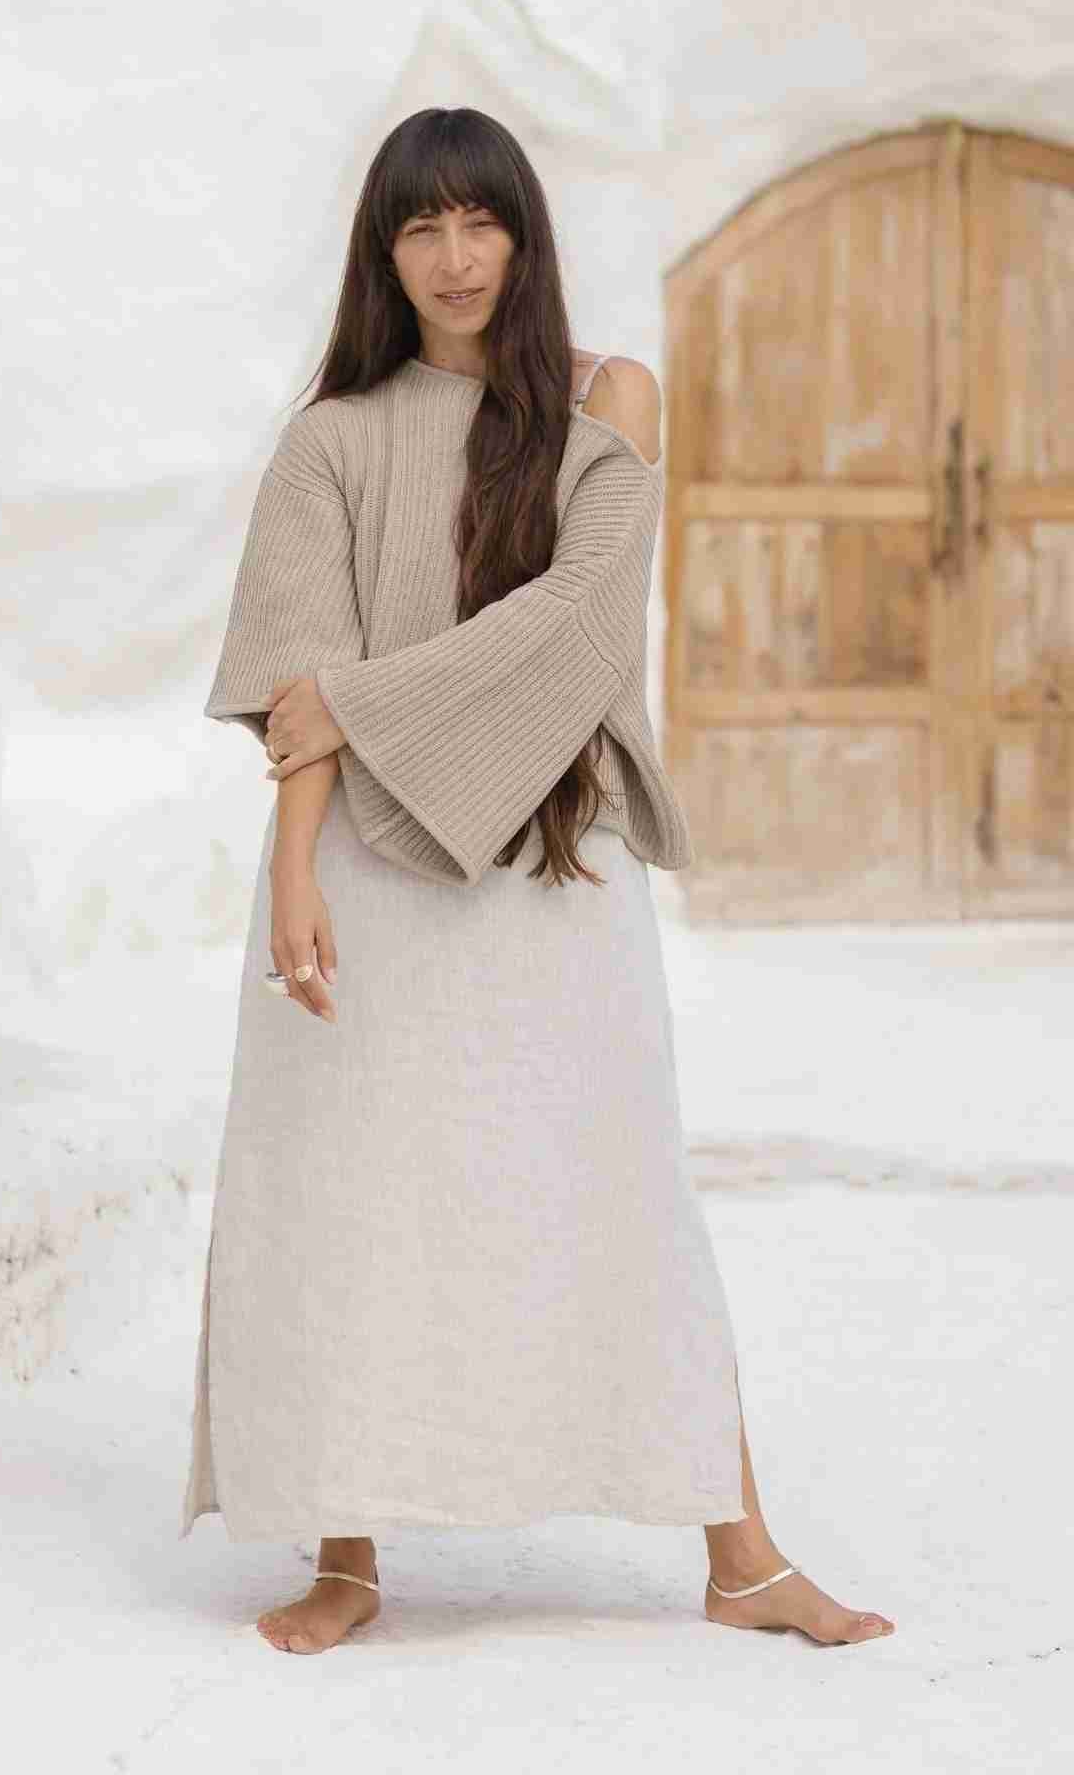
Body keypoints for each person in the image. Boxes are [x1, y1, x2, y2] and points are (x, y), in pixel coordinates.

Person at [181, 106, 895, 1655]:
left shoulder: (606, 398)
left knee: (621, 1189)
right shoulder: (333, 438)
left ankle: (744, 1556)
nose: (453, 257)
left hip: (553, 866)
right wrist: (296, 868)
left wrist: (365, 701)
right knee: (346, 1200)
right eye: (420, 228)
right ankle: (349, 1551)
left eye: (479, 221)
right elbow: (298, 679)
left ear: (525, 235)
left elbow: (582, 629)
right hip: (365, 870)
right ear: (384, 252)